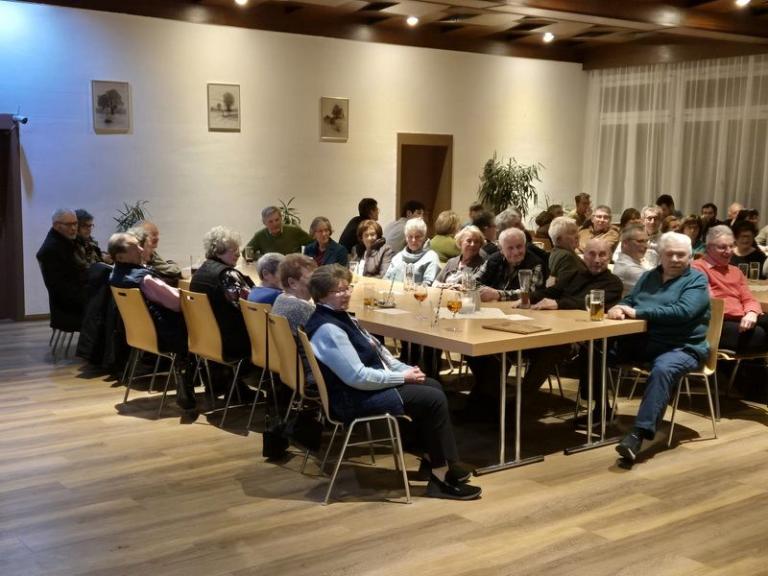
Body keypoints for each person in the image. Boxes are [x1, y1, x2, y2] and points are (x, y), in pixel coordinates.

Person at [305, 264, 481, 500]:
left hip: (360, 389)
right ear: (321, 295)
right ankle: (441, 478)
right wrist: (402, 377)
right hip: (352, 398)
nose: (346, 294)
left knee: (432, 385)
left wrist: (409, 370)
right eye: (338, 291)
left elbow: (380, 354)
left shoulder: (339, 316)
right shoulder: (328, 329)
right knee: (433, 399)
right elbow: (358, 377)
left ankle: (435, 460)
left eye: (348, 288)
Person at [607, 232, 710, 465]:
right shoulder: (649, 276)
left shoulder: (697, 280)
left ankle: (637, 436)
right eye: (669, 254)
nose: (675, 259)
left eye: (681, 255)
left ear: (690, 256)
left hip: (682, 347)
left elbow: (683, 311)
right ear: (660, 255)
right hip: (645, 342)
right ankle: (598, 412)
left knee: (663, 369)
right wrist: (619, 306)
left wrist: (638, 312)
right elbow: (631, 300)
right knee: (597, 351)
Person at [523, 239, 623, 405]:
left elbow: (588, 302)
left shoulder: (614, 283)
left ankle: (519, 402)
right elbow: (551, 291)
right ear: (584, 256)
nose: (597, 260)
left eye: (602, 255)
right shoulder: (574, 275)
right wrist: (526, 298)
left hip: (584, 339)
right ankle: (495, 398)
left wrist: (558, 303)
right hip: (557, 329)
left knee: (553, 348)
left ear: (610, 256)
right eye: (592, 254)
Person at [108, 232, 195, 410]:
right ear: (120, 256)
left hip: (141, 335)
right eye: (135, 248)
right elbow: (178, 303)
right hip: (168, 334)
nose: (141, 250)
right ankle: (222, 382)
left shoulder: (115, 276)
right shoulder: (144, 279)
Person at [692, 225, 768, 357]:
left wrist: (751, 312)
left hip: (741, 318)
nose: (728, 251)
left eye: (731, 246)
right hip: (716, 323)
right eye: (722, 247)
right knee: (760, 335)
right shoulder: (697, 268)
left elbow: (749, 298)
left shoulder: (735, 271)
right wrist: (741, 313)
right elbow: (710, 304)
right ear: (708, 248)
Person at [190, 226, 254, 361]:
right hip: (232, 342)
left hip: (207, 339)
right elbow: (252, 306)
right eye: (233, 250)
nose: (238, 254)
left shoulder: (199, 272)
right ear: (218, 251)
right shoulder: (227, 275)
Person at [36, 209, 88, 332]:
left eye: (75, 223)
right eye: (69, 225)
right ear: (56, 225)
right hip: (68, 310)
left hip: (72, 301)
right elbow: (63, 290)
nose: (74, 228)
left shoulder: (65, 241)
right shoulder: (52, 250)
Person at [271, 254, 318, 390]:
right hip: (313, 375)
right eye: (312, 279)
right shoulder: (302, 308)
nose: (316, 283)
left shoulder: (281, 299)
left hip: (290, 371)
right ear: (292, 283)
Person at [474, 228, 545, 302]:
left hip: (521, 308)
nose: (515, 252)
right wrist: (484, 291)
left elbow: (530, 292)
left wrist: (498, 294)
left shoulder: (535, 264)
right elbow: (473, 282)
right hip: (493, 306)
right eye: (510, 248)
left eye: (519, 246)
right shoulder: (493, 260)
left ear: (525, 246)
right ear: (501, 249)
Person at [383, 218, 441, 285]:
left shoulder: (431, 257)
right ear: (406, 238)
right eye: (410, 236)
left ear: (424, 237)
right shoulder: (398, 257)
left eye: (417, 237)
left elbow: (428, 285)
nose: (413, 240)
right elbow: (386, 280)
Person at [245, 206, 312, 258]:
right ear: (264, 222)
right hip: (271, 268)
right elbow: (246, 253)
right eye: (270, 221)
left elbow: (313, 244)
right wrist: (264, 257)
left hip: (292, 267)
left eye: (277, 220)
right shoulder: (260, 235)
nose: (275, 224)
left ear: (281, 218)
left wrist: (304, 257)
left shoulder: (295, 231)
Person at [135, 221, 182, 286]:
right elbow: (174, 271)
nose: (156, 246)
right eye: (154, 241)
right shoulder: (148, 257)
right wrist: (172, 263)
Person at [612, 224, 652, 296]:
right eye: (640, 241)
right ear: (625, 243)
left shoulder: (636, 261)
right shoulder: (628, 268)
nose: (646, 246)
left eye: (646, 241)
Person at [547, 216, 586, 285]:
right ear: (558, 239)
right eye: (572, 233)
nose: (578, 236)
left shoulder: (557, 252)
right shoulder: (566, 256)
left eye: (577, 232)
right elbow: (569, 286)